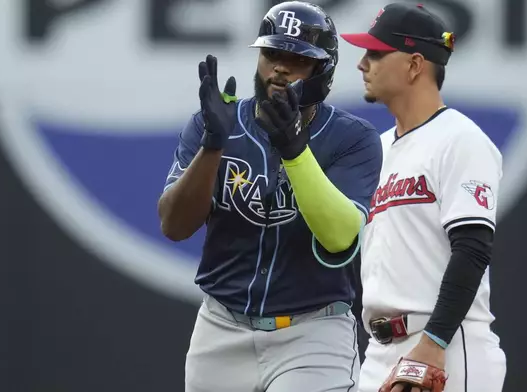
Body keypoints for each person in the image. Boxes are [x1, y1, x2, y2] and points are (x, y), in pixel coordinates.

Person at [157, 1, 383, 391]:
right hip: (221, 327)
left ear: (321, 70)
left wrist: (295, 152)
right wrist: (212, 145)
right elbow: (174, 226)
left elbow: (340, 236)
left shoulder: (352, 138)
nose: (279, 66)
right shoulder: (217, 124)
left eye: (296, 58)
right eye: (271, 53)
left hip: (312, 332)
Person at [339, 3, 507, 392]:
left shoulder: (460, 140)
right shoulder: (377, 150)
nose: (363, 63)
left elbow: (473, 250)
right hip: (381, 349)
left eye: (376, 53)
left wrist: (434, 343)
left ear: (415, 65)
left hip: (445, 344)